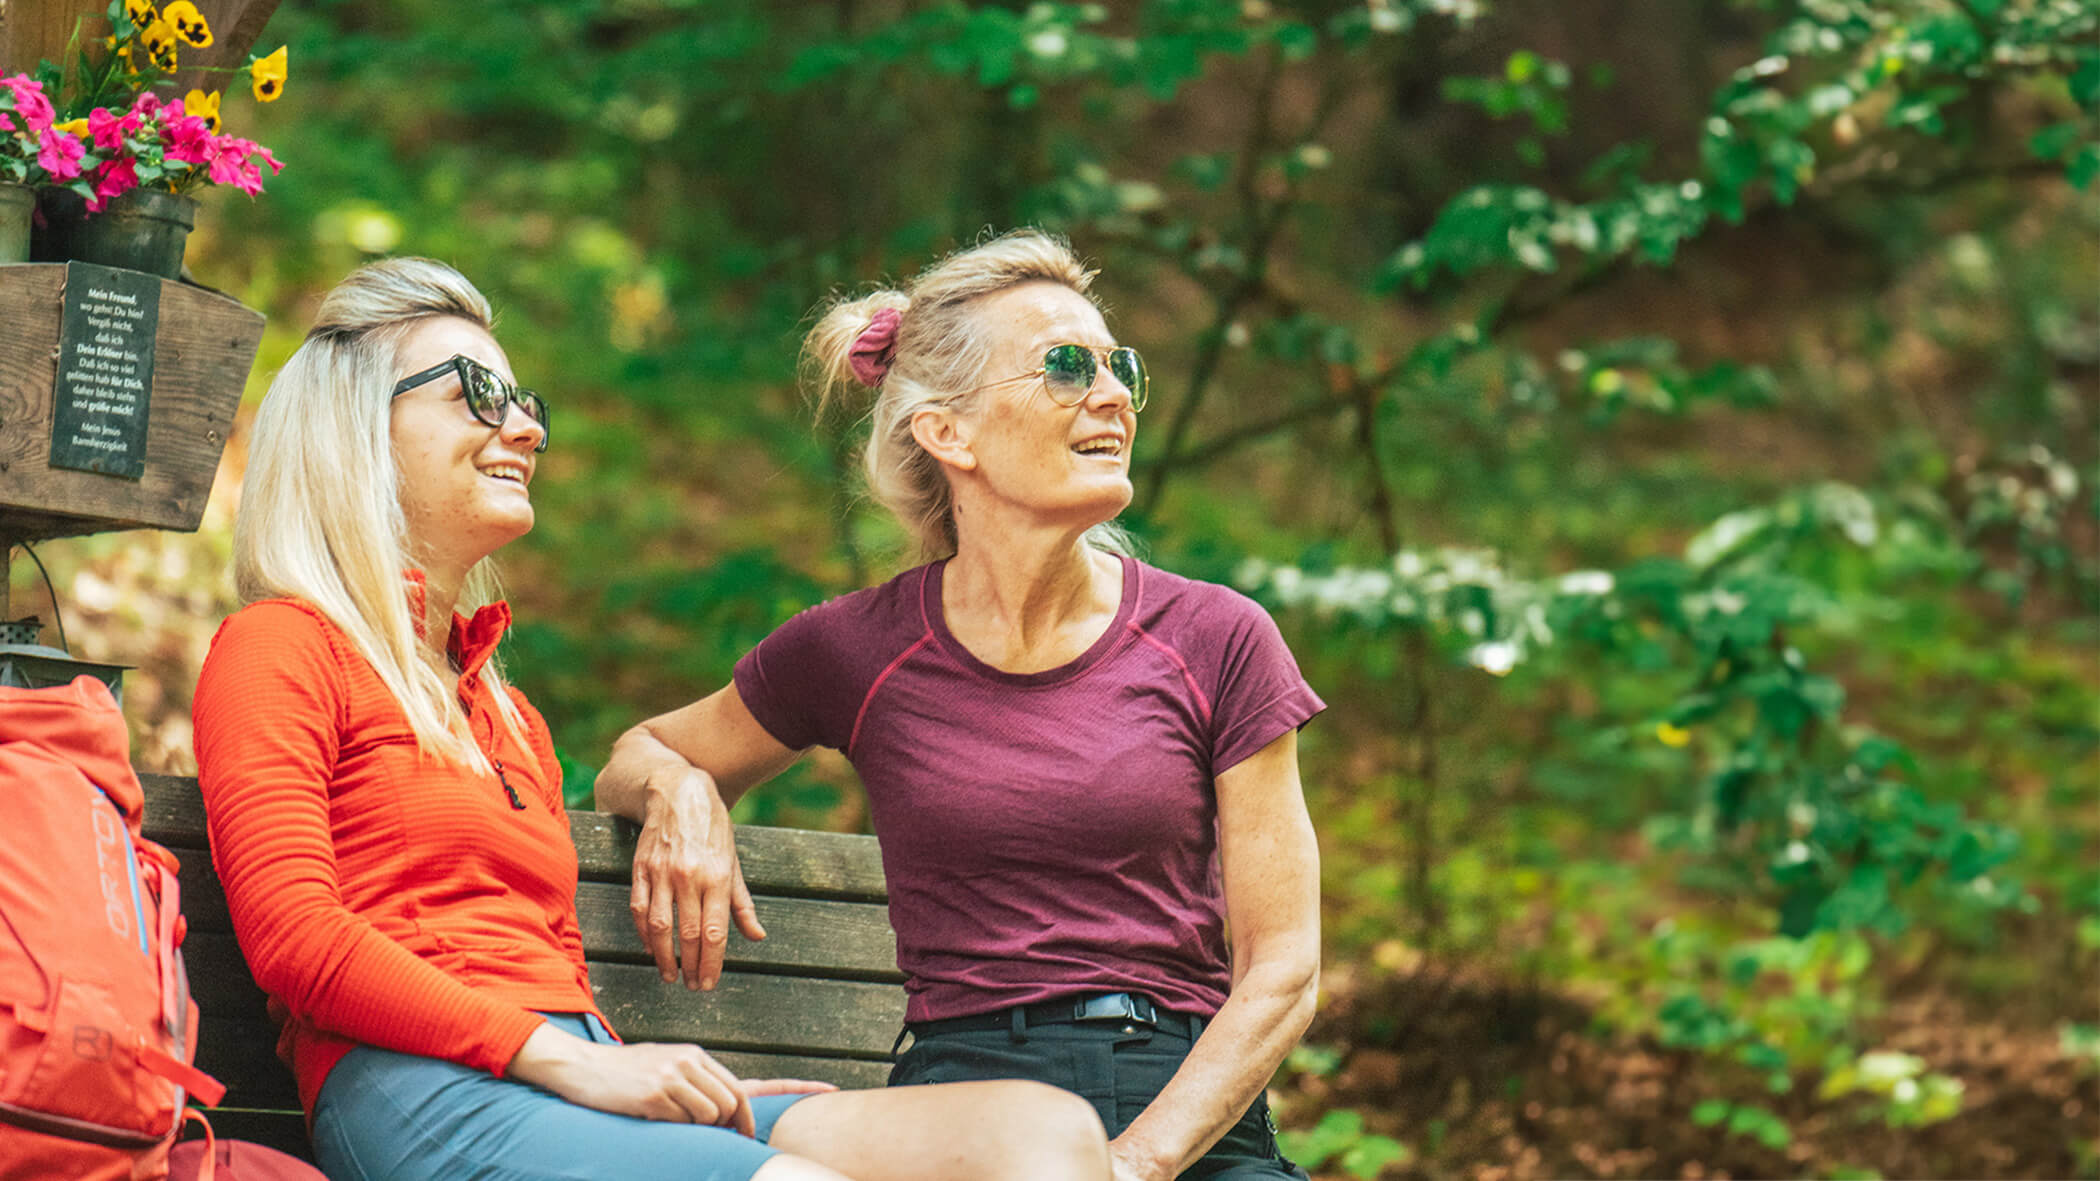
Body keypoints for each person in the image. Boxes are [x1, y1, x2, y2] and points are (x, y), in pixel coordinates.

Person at [191, 257, 1111, 1181]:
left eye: (525, 401)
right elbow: (295, 939)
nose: (523, 427)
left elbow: (547, 965)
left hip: (565, 1085)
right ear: (355, 427)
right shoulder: (280, 646)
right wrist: (576, 1063)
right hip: (425, 1092)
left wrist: (690, 1092)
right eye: (476, 390)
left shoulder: (508, 718)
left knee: (1040, 1137)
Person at [595, 230, 1325, 1181]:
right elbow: (637, 751)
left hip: (1186, 1119)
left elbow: (1283, 968)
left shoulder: (1218, 637)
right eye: (1066, 367)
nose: (1111, 395)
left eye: (1120, 368)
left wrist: (1137, 1162)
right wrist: (683, 789)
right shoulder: (855, 649)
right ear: (950, 433)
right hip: (963, 1119)